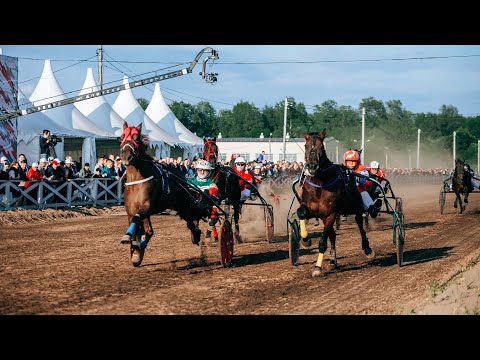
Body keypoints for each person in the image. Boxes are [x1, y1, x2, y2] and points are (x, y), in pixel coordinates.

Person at [187, 159, 220, 244]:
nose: (202, 172)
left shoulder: (211, 183)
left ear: (208, 172)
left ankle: (208, 235)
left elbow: (214, 191)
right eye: (200, 170)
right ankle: (195, 228)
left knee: (214, 212)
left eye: (204, 170)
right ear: (196, 170)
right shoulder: (190, 181)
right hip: (193, 206)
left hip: (206, 207)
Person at [343, 150, 380, 218]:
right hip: (345, 191)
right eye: (349, 162)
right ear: (345, 162)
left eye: (353, 162)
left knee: (364, 194)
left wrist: (359, 180)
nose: (351, 164)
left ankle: (372, 209)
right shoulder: (342, 169)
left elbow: (367, 181)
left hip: (360, 191)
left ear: (357, 162)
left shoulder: (362, 168)